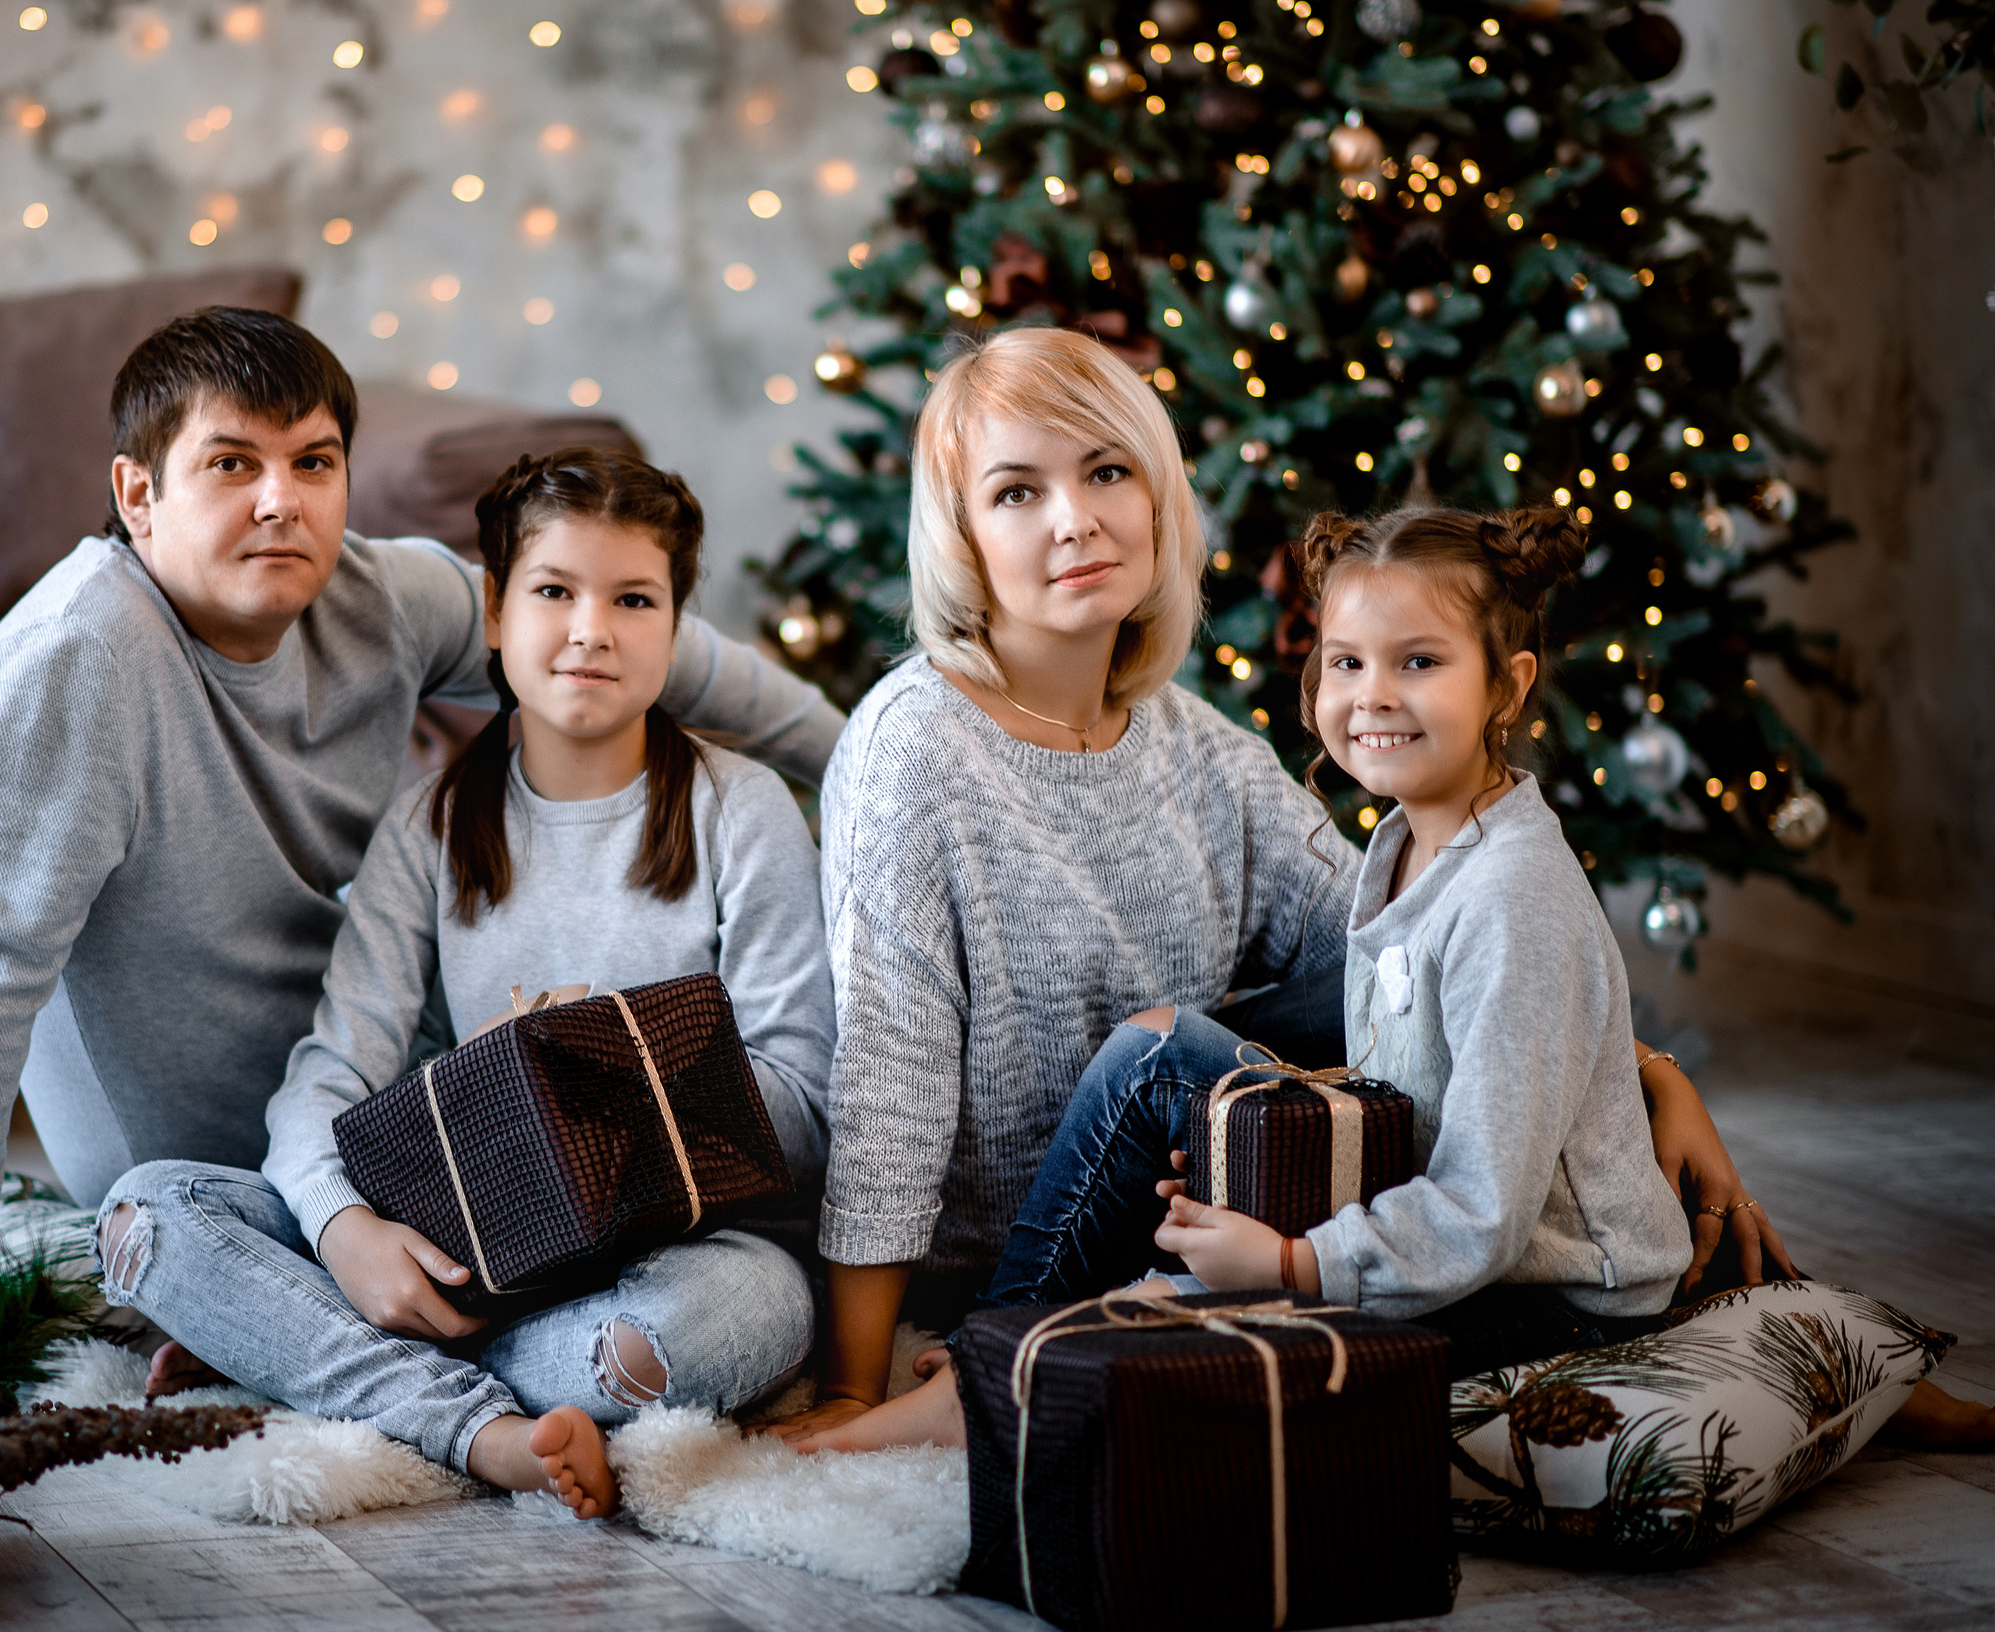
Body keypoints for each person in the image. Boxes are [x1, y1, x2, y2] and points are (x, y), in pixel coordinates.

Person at [767, 326, 1788, 1449]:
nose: (1075, 519)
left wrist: (1646, 1077)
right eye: (1017, 492)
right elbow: (889, 1078)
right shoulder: (912, 749)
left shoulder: (1197, 747)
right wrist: (852, 1383)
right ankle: (1011, 1361)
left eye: (1106, 471)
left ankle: (1703, 1308)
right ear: (961, 536)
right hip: (1014, 1257)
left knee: (1362, 960)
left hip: (1197, 1210)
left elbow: (1426, 951)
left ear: (1157, 497)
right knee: (1162, 1052)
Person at [798, 501, 1994, 1452]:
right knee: (1175, 1095)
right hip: (1459, 1245)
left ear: (1507, 685)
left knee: (1184, 1318)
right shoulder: (1407, 843)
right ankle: (1004, 1356)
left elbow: (1481, 1210)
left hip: (1553, 1299)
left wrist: (1291, 1264)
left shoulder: (1512, 897)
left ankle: (985, 1379)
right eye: (1345, 661)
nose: (1371, 697)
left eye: (1418, 662)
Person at [0, 310, 840, 1332]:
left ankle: (303, 1324)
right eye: (232, 464)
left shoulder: (381, 599)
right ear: (138, 495)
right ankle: (124, 1269)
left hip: (380, 1117)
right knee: (166, 1233)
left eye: (313, 462)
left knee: (697, 1297)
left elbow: (623, 640)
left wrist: (859, 764)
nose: (281, 500)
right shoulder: (75, 662)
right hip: (202, 1168)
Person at [89, 450, 832, 1516]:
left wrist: (608, 1065)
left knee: (713, 1328)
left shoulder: (742, 811)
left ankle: (346, 1365)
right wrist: (344, 1232)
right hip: (469, 1243)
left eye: (634, 599)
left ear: (675, 626)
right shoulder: (430, 824)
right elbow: (327, 1077)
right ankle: (485, 1428)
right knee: (146, 1215)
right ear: (493, 610)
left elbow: (803, 1107)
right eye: (554, 591)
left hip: (680, 1258)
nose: (591, 630)